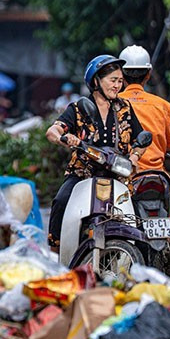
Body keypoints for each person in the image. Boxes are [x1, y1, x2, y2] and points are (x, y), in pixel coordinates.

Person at [45, 54, 145, 251]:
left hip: (118, 174)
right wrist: (65, 138)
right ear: (96, 81)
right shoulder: (78, 108)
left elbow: (141, 139)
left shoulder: (125, 108)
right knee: (60, 201)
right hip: (83, 173)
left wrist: (134, 158)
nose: (117, 85)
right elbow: (53, 130)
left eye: (120, 81)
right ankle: (56, 251)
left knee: (139, 211)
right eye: (112, 80)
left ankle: (143, 260)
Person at [117, 45, 170, 220]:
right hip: (157, 174)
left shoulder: (113, 104)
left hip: (124, 175)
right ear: (148, 74)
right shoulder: (162, 105)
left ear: (121, 75)